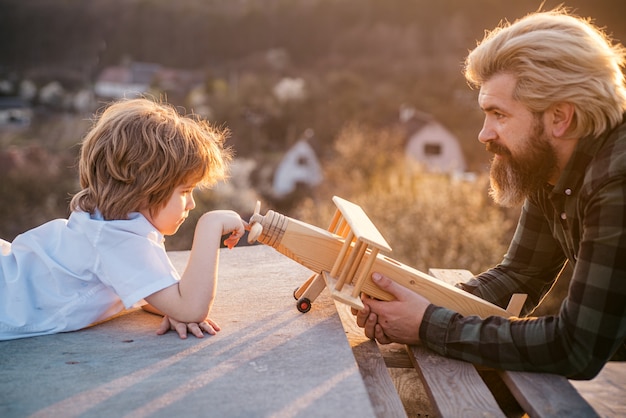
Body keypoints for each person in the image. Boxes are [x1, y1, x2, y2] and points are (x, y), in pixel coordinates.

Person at [355, 8, 626, 380]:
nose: (484, 134)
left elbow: (575, 346)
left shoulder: (617, 182)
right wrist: (412, 302)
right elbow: (521, 273)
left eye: (499, 114)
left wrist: (427, 324)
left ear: (560, 117)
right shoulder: (553, 165)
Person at [0, 98, 247, 341]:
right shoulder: (117, 239)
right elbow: (191, 307)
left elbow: (159, 296)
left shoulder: (114, 228)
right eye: (185, 191)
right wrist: (209, 226)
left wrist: (176, 307)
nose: (192, 204)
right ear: (146, 189)